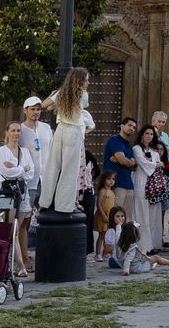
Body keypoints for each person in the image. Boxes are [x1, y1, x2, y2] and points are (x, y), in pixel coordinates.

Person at [41, 68, 94, 214]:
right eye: (86, 79)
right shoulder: (83, 95)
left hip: (60, 130)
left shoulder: (61, 92)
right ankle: (63, 205)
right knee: (69, 170)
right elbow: (78, 107)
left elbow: (45, 105)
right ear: (79, 80)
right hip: (74, 130)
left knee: (53, 166)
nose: (88, 82)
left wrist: (53, 98)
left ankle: (45, 201)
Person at [0, 121, 36, 276]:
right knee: (10, 228)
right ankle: (15, 264)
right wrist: (22, 169)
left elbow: (30, 173)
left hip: (22, 191)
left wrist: (16, 169)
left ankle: (15, 263)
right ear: (7, 132)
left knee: (17, 229)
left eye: (18, 130)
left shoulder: (24, 152)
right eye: (13, 130)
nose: (16, 133)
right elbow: (5, 172)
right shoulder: (2, 150)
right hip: (6, 192)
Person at [132, 124, 167, 252]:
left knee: (153, 217)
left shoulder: (154, 151)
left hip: (154, 187)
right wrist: (157, 164)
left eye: (151, 134)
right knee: (142, 217)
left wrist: (157, 164)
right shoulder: (136, 149)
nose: (149, 136)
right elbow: (144, 164)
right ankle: (143, 245)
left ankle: (152, 244)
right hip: (141, 184)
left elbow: (159, 165)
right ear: (142, 134)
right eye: (147, 133)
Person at [103, 116, 138, 221]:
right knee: (115, 217)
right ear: (122, 126)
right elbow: (123, 160)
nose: (132, 128)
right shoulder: (115, 140)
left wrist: (128, 162)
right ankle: (113, 238)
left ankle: (124, 238)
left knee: (126, 218)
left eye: (134, 127)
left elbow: (133, 164)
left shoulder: (128, 145)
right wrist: (127, 161)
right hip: (117, 184)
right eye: (129, 125)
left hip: (129, 184)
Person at [20, 96, 52, 211]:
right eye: (32, 109)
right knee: (26, 213)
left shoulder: (46, 128)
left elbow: (52, 150)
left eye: (38, 109)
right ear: (25, 110)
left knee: (44, 214)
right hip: (29, 180)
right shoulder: (20, 130)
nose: (36, 112)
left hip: (46, 179)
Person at [92, 170, 119, 261]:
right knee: (101, 235)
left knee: (108, 236)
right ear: (104, 180)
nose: (111, 181)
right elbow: (99, 204)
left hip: (109, 216)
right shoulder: (103, 191)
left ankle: (106, 252)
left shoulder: (112, 192)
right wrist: (103, 215)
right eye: (109, 179)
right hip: (102, 215)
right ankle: (98, 254)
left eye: (113, 179)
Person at [101, 205, 129, 270]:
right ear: (112, 218)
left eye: (122, 216)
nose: (120, 219)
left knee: (143, 248)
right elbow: (108, 250)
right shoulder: (111, 231)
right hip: (115, 259)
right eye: (117, 216)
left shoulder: (126, 229)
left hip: (126, 256)